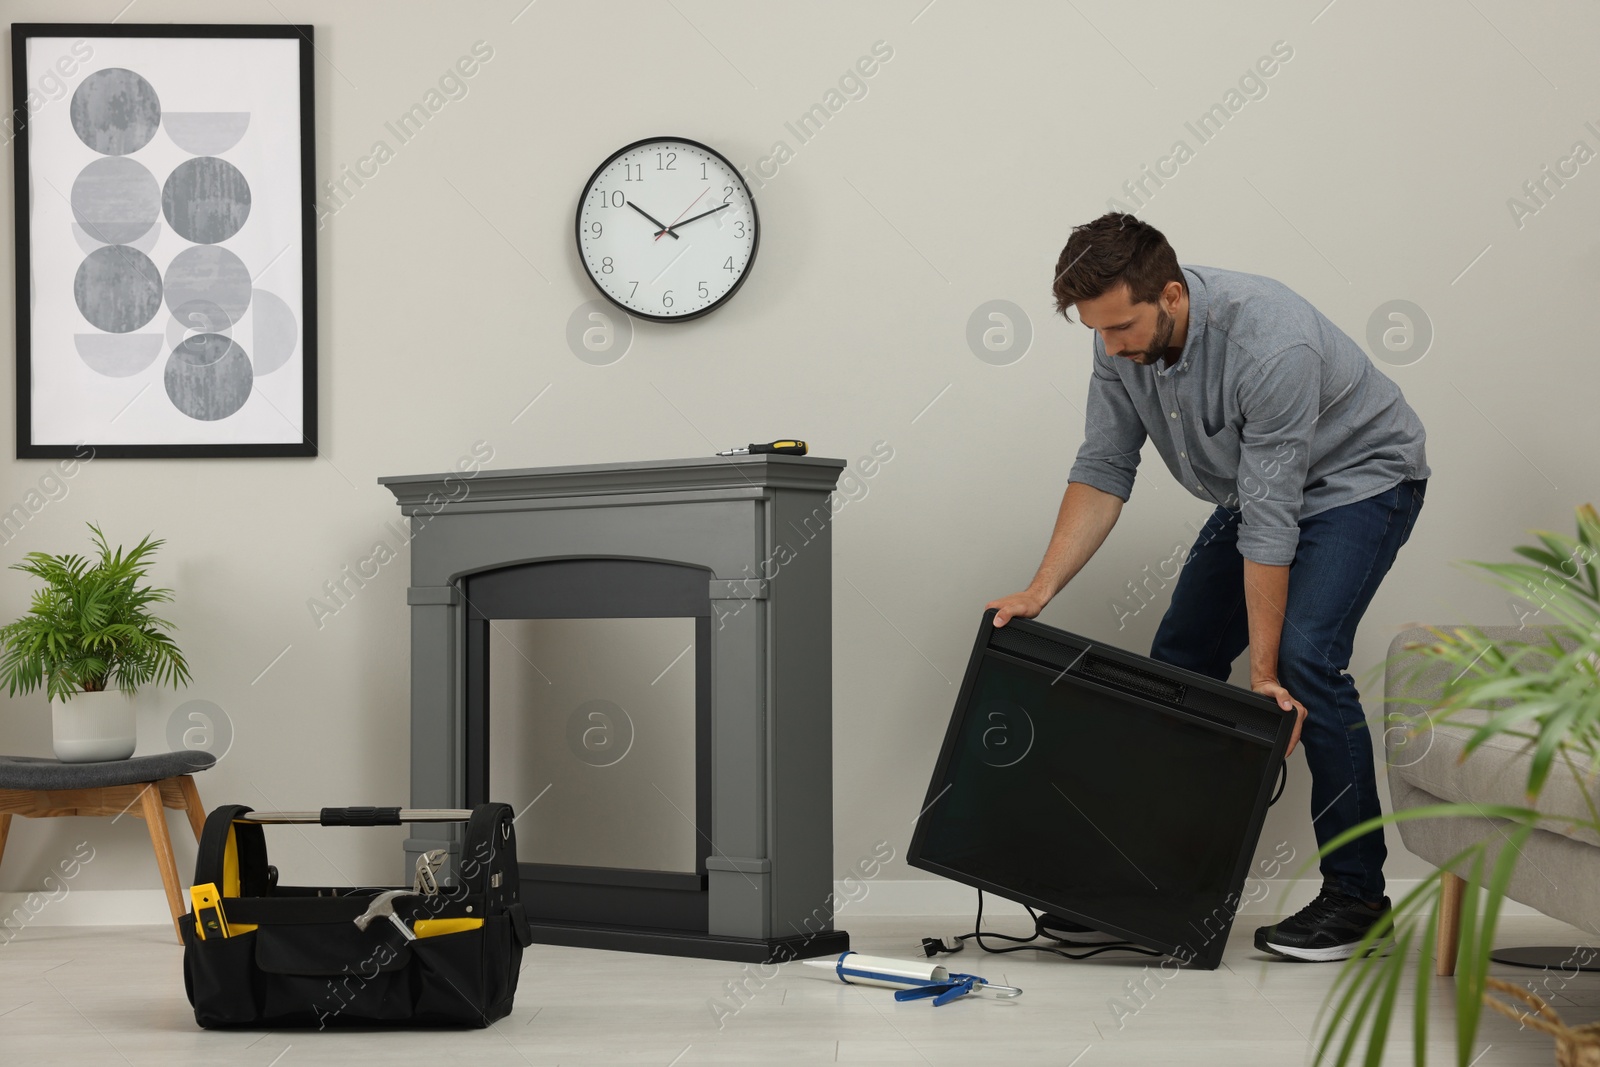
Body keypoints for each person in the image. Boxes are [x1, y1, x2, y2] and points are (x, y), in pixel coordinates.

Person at [988, 213, 1429, 962]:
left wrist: (1262, 674)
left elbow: (1271, 522)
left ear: (1171, 295)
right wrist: (1039, 589)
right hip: (1257, 492)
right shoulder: (1118, 342)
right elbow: (1103, 467)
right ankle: (1144, 884)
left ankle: (1358, 900)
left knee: (1305, 663)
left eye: (1123, 326)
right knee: (1180, 662)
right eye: (1097, 331)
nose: (1113, 346)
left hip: (1360, 480)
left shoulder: (1270, 342)